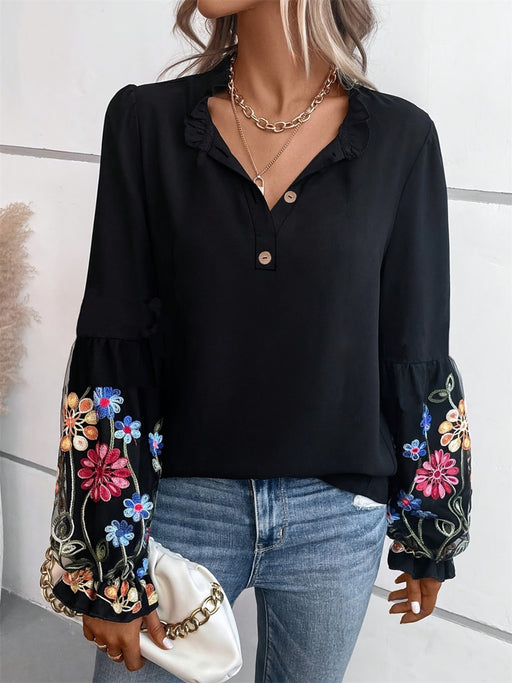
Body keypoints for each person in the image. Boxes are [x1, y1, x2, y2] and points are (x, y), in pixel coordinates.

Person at [47, 1, 473, 681]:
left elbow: (413, 343)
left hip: (336, 519)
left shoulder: (400, 138)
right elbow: (115, 339)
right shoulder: (146, 123)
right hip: (177, 510)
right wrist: (104, 559)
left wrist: (430, 527)